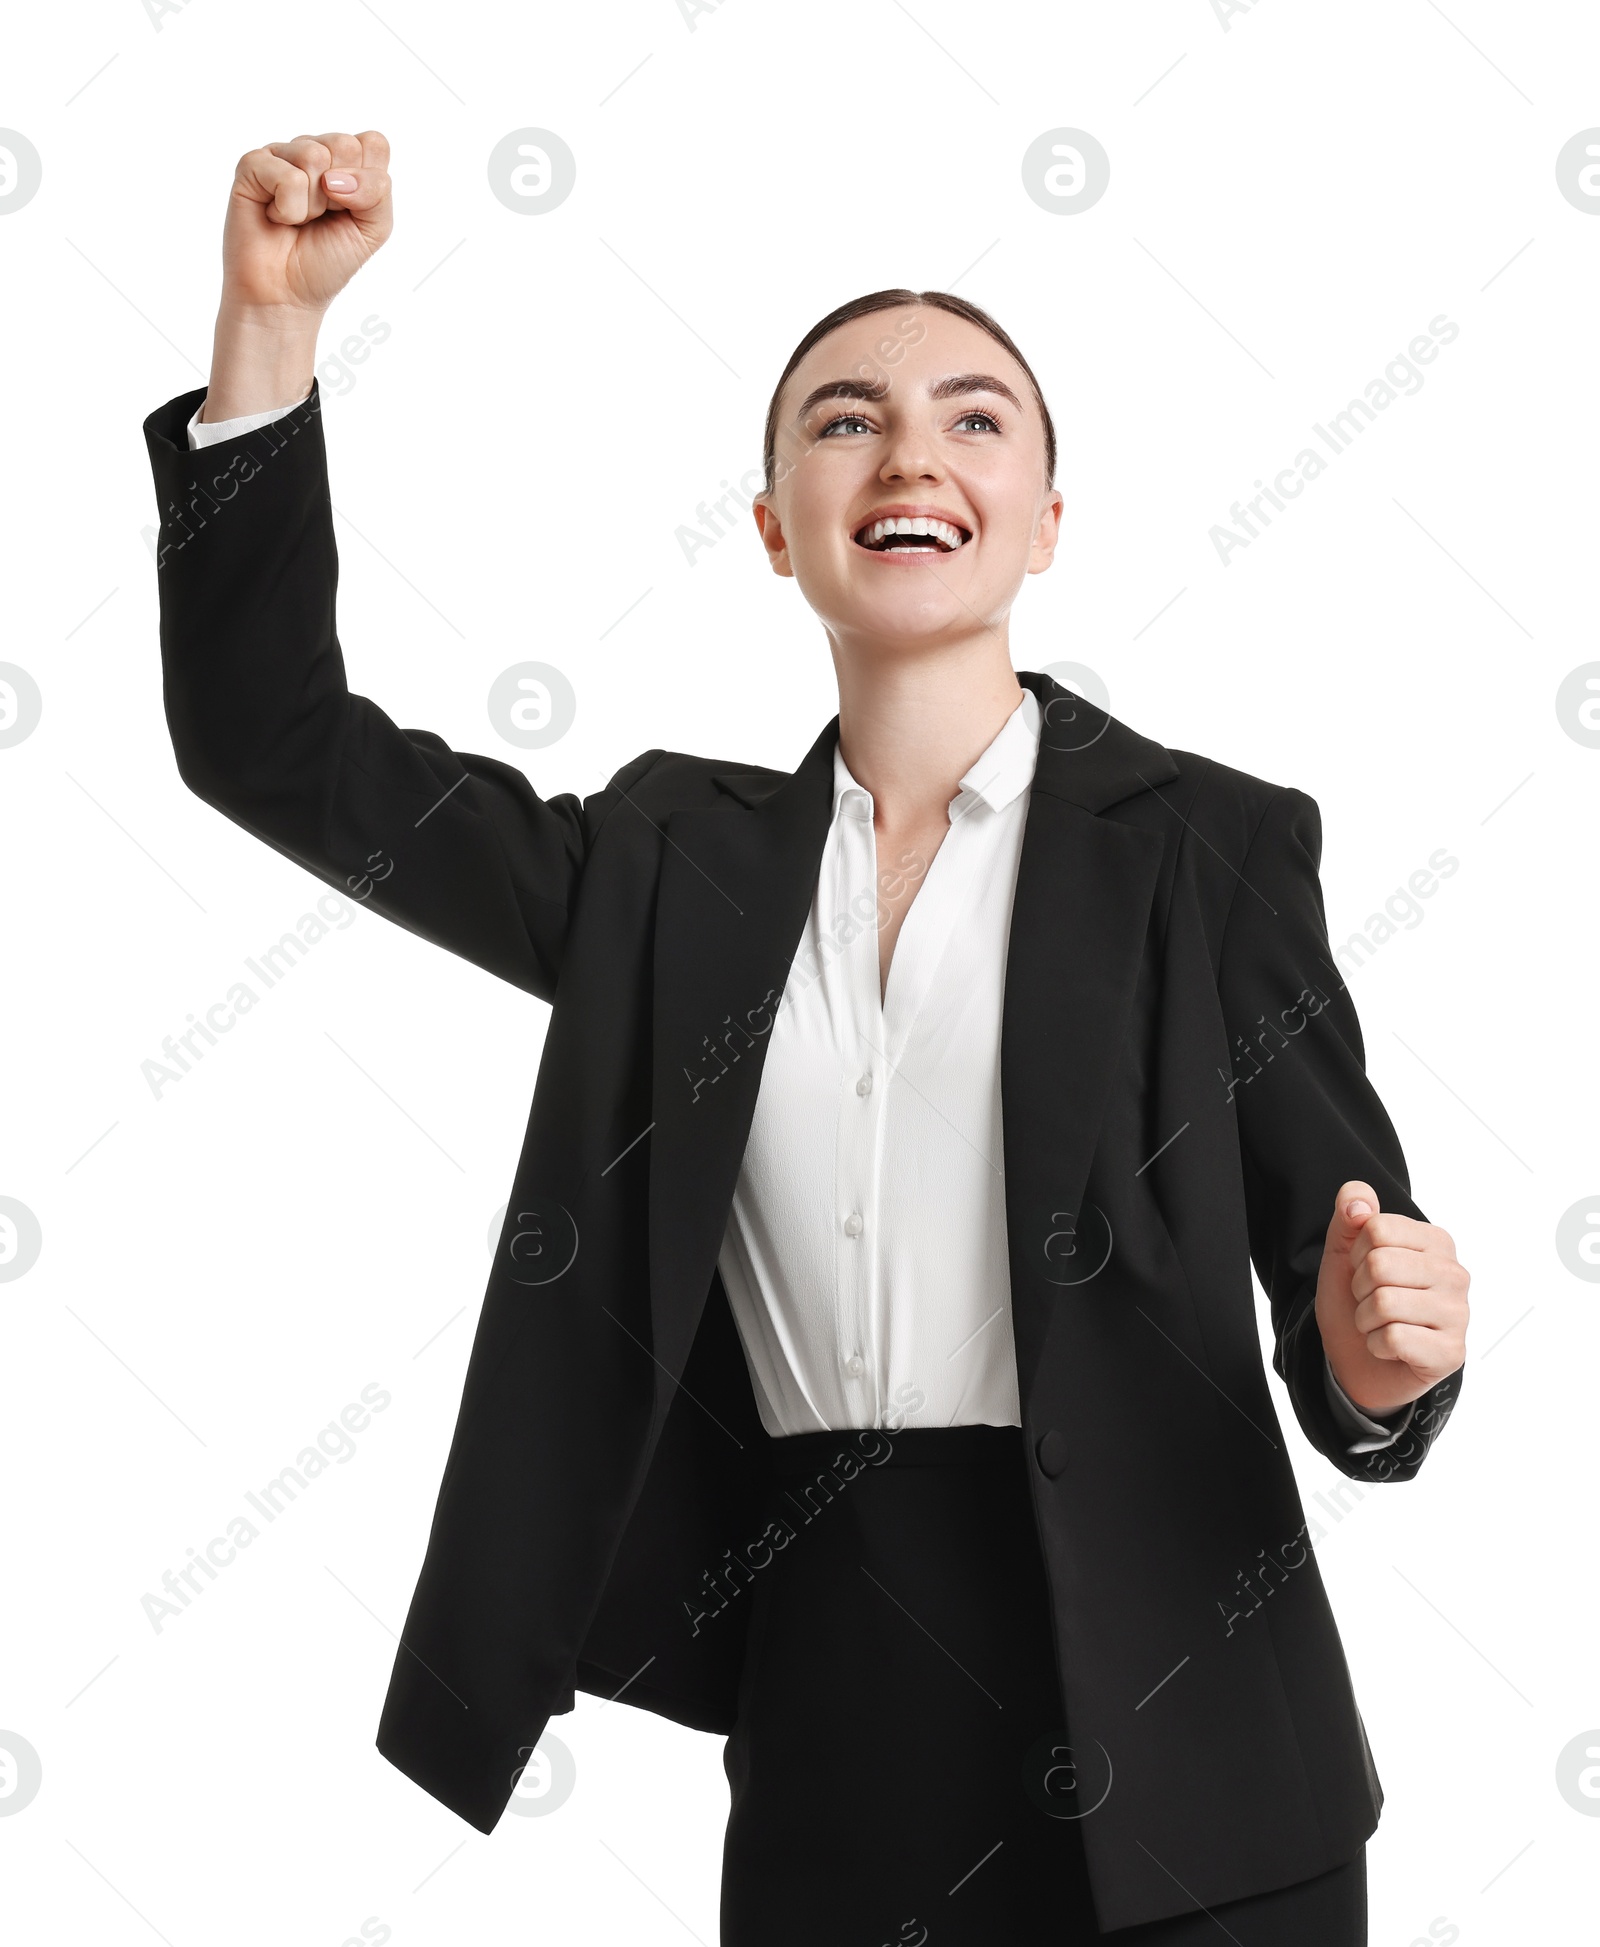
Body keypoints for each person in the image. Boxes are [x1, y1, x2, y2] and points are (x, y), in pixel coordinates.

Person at [143, 130, 1470, 1946]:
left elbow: (1355, 1285)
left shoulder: (1214, 853)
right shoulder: (661, 874)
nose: (913, 449)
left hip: (1210, 1777)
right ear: (774, 525)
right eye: (846, 419)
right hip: (838, 1731)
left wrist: (1379, 1376)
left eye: (976, 419)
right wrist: (269, 342)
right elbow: (273, 748)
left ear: (1049, 523)